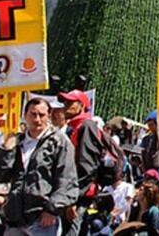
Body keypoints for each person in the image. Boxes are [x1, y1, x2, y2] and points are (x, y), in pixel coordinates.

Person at [0, 97, 79, 235]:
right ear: (25, 115)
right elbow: (0, 176)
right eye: (33, 114)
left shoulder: (59, 142)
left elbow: (67, 180)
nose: (37, 119)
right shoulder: (17, 141)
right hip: (15, 217)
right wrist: (6, 150)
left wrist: (52, 210)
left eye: (41, 115)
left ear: (49, 116)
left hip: (42, 219)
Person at [59, 88, 104, 235]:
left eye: (70, 102)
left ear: (82, 106)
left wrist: (74, 198)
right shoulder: (75, 128)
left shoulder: (86, 126)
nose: (66, 105)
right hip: (73, 193)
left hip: (79, 195)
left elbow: (88, 166)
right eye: (65, 102)